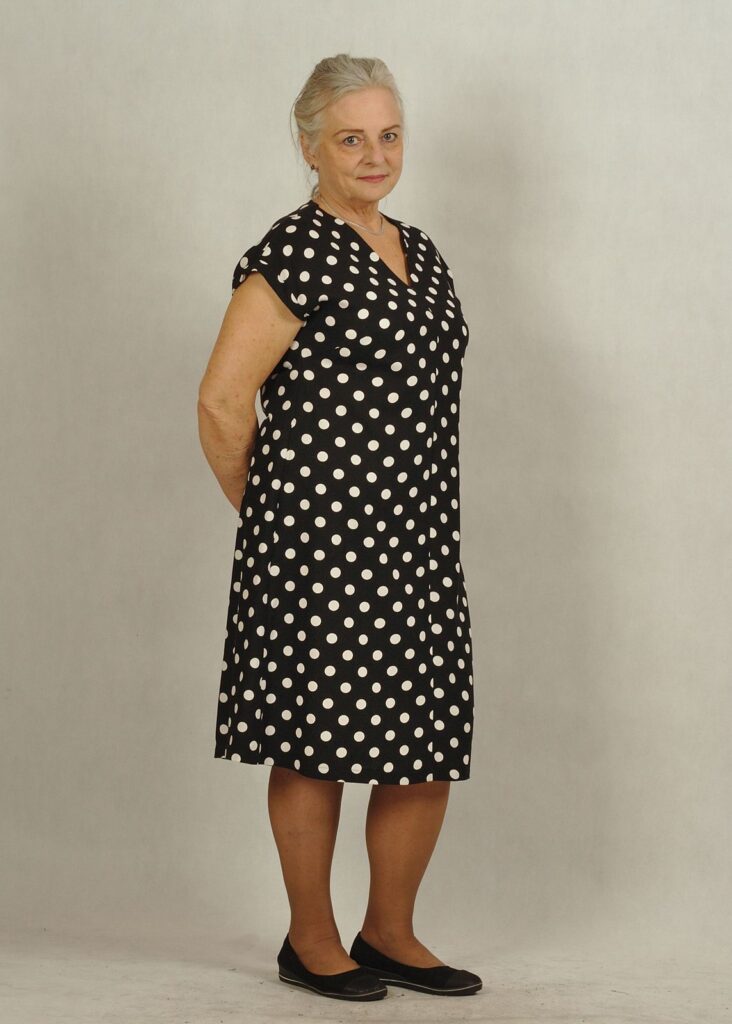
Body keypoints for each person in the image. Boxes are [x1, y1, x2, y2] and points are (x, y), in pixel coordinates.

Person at [198, 53, 481, 1002]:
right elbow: (222, 402)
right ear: (310, 145)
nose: (374, 155)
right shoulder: (292, 254)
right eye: (351, 138)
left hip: (420, 542)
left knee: (424, 736)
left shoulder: (420, 251)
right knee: (315, 740)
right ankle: (311, 940)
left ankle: (390, 932)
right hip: (317, 551)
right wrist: (278, 519)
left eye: (388, 135)